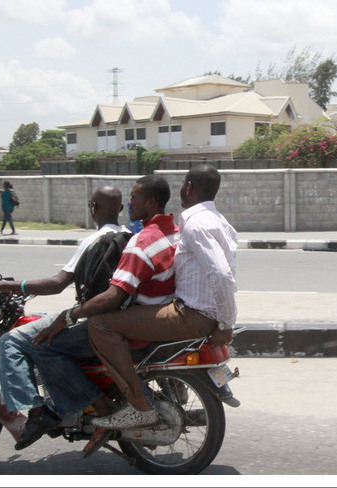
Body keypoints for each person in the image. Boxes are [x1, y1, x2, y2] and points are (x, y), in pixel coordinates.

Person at [84, 165, 238, 430]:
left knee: (100, 324)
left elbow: (222, 274)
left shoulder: (195, 224)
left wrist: (226, 324)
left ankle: (139, 406)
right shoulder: (220, 221)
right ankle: (175, 390)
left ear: (188, 187)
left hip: (191, 315)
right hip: (198, 311)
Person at [0, 186, 128, 450]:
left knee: (14, 342)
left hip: (93, 320)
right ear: (121, 209)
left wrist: (9, 286)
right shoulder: (130, 236)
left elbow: (57, 283)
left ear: (92, 209)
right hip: (121, 320)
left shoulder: (94, 240)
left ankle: (37, 414)